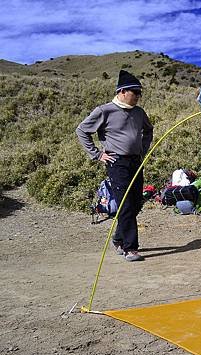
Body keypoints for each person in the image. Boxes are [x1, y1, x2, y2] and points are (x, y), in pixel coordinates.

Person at [76, 70, 153, 262]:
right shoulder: (104, 111)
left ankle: (119, 238)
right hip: (116, 162)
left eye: (139, 93)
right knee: (125, 203)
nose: (138, 96)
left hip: (136, 161)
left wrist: (143, 149)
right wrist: (97, 154)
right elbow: (82, 131)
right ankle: (130, 248)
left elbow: (148, 131)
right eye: (135, 92)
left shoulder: (139, 112)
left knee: (136, 203)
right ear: (123, 91)